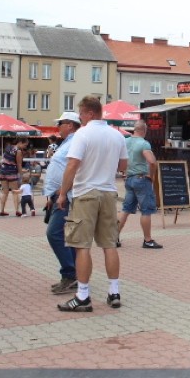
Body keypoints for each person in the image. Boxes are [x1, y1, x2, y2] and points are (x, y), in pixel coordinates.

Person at [56, 95, 127, 312]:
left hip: (86, 192)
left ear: (89, 113)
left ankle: (83, 296)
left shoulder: (82, 134)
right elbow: (124, 166)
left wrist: (62, 193)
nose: (79, 117)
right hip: (108, 193)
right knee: (109, 244)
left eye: (81, 113)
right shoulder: (117, 136)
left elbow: (72, 165)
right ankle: (114, 292)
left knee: (82, 246)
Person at [44, 112, 80, 295]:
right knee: (66, 236)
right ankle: (73, 274)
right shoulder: (67, 142)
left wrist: (62, 192)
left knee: (54, 233)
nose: (58, 126)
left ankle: (70, 273)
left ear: (70, 125)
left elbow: (76, 169)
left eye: (60, 123)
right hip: (59, 195)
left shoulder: (75, 142)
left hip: (66, 196)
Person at [117, 120, 163, 249]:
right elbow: (152, 162)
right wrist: (151, 176)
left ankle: (114, 238)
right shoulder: (144, 143)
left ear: (134, 130)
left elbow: (120, 160)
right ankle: (148, 240)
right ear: (144, 131)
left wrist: (124, 171)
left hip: (129, 179)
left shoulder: (125, 142)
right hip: (142, 179)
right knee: (146, 210)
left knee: (125, 209)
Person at [0, 139, 28, 216]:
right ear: (20, 142)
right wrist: (21, 174)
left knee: (5, 192)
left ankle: (2, 210)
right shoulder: (18, 151)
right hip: (11, 173)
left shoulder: (8, 147)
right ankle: (17, 210)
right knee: (15, 192)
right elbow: (19, 164)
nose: (25, 147)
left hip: (2, 171)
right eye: (24, 145)